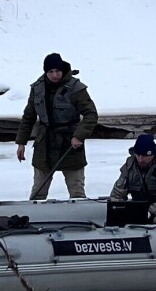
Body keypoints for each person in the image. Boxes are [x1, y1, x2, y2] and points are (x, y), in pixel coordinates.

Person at [15, 53, 98, 200]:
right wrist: (21, 142)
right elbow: (28, 116)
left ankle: (80, 218)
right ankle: (35, 218)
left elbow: (91, 114)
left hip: (70, 143)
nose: (54, 75)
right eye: (50, 72)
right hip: (44, 143)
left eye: (57, 71)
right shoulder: (37, 88)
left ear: (63, 70)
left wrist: (79, 136)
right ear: (45, 72)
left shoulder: (76, 88)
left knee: (77, 191)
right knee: (38, 192)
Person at [110, 134, 156, 223]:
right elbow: (118, 192)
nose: (140, 159)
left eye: (144, 156)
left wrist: (151, 210)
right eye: (138, 155)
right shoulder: (129, 166)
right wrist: (118, 209)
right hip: (139, 208)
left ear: (152, 154)